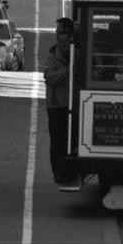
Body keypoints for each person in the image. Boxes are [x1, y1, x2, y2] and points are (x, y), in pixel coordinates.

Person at [44, 20, 77, 187]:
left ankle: (70, 172)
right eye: (60, 41)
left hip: (72, 105)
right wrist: (67, 71)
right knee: (57, 142)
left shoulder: (76, 55)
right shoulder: (52, 57)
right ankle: (58, 173)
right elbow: (50, 77)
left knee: (70, 141)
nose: (63, 45)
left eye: (66, 41)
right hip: (56, 105)